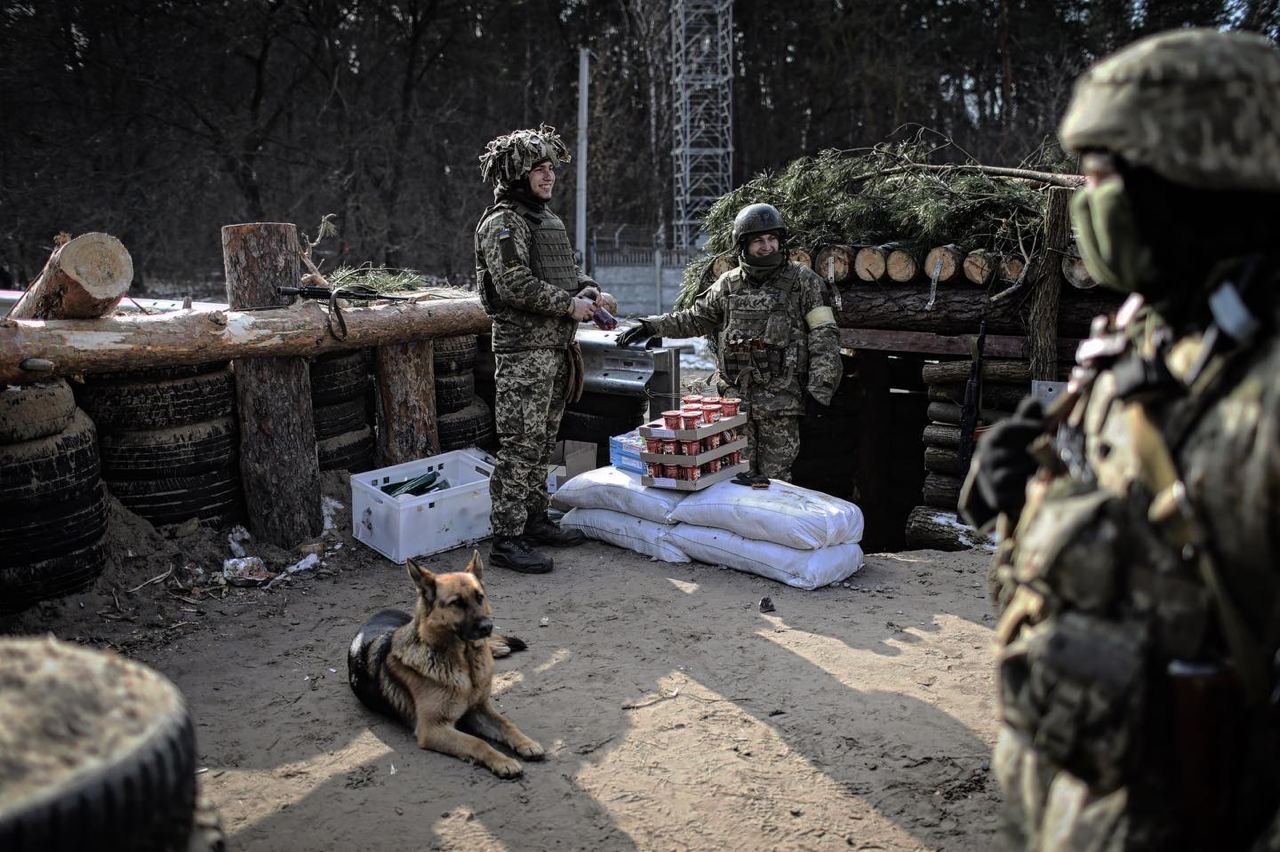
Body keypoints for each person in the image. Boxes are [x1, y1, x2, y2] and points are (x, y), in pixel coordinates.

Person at [959, 29, 1280, 850]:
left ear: (1202, 178)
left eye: (1103, 178)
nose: (1086, 205)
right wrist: (1022, 503)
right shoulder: (1144, 336)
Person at [617, 203, 841, 482]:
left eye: (772, 239)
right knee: (736, 476)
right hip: (736, 405)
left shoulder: (804, 282)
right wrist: (652, 325)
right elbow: (695, 318)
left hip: (782, 406)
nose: (767, 246)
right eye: (759, 240)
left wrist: (820, 392)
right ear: (743, 245)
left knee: (777, 482)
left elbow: (825, 337)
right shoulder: (728, 284)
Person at [474, 125, 597, 574]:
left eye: (551, 169)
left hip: (555, 351)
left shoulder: (546, 221)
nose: (548, 177)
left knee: (544, 442)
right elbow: (514, 284)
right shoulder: (502, 224)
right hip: (524, 355)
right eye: (539, 170)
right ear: (516, 174)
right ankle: (507, 540)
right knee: (519, 447)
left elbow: (569, 272)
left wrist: (589, 291)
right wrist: (570, 305)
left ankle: (534, 520)